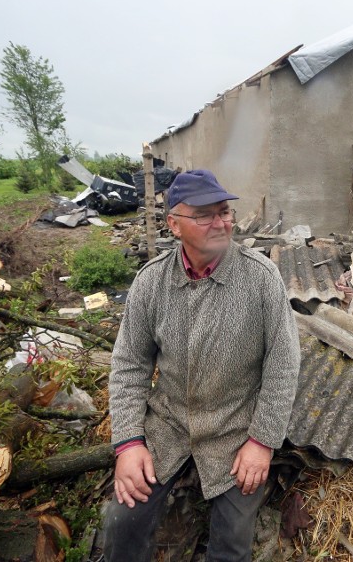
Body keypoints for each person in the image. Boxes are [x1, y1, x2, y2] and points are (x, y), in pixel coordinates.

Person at [103, 169, 301, 561]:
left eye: (225, 211)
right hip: (170, 422)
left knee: (231, 546)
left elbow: (283, 365)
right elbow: (129, 366)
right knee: (122, 525)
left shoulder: (261, 279)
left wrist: (261, 442)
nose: (221, 222)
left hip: (235, 427)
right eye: (205, 215)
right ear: (174, 224)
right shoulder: (151, 282)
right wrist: (127, 443)